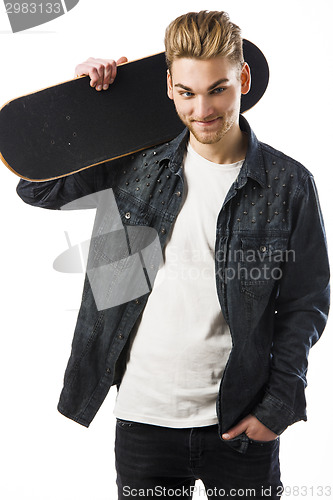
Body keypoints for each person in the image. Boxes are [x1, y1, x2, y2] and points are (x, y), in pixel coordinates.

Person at [16, 10, 330, 500]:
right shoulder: (134, 158)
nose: (202, 109)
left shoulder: (288, 183)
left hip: (241, 422)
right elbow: (36, 192)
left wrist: (277, 406)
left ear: (243, 78)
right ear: (167, 86)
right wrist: (82, 109)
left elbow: (306, 301)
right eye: (186, 92)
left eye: (218, 90)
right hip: (144, 421)